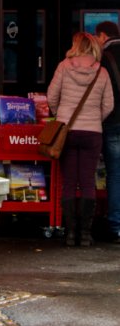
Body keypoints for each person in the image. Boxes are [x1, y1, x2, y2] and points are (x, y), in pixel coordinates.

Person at [47, 32, 113, 246]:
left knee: (68, 182)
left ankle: (70, 233)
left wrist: (61, 115)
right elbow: (108, 105)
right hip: (92, 132)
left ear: (76, 45)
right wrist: (94, 120)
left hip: (67, 131)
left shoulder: (64, 67)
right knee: (87, 182)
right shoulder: (101, 72)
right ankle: (85, 234)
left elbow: (51, 96)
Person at [96, 20, 120, 242]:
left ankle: (115, 226)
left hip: (112, 121)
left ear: (102, 36)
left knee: (115, 173)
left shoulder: (104, 58)